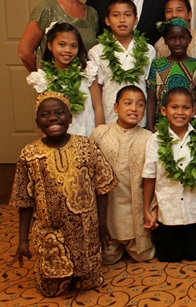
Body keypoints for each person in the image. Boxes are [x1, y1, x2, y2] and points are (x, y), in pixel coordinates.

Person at [9, 92, 117, 297]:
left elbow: (103, 187)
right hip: (50, 235)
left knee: (89, 283)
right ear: (37, 122)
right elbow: (24, 201)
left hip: (85, 233)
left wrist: (102, 224)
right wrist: (23, 241)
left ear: (70, 118)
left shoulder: (86, 146)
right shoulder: (29, 154)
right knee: (52, 290)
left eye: (59, 113)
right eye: (45, 114)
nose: (52, 118)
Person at [142, 87, 196, 262]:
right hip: (168, 213)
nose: (180, 112)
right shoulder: (155, 141)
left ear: (193, 111)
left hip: (194, 212)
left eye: (185, 108)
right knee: (170, 256)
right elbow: (149, 177)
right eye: (174, 107)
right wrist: (147, 209)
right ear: (164, 110)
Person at [90, 85, 156, 264]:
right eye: (128, 103)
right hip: (108, 213)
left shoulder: (148, 138)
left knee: (145, 256)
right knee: (106, 259)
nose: (134, 108)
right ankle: (113, 241)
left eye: (140, 105)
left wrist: (153, 210)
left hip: (135, 214)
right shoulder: (100, 133)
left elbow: (155, 178)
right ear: (115, 107)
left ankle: (133, 241)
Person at [18, 0, 98, 72]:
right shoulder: (46, 9)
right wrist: (44, 78)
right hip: (54, 83)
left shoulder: (92, 13)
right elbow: (24, 53)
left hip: (86, 82)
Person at [26, 22, 103, 137]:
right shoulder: (44, 79)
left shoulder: (87, 72)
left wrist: (99, 137)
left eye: (73, 46)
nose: (68, 50)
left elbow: (98, 108)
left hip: (88, 136)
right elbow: (44, 116)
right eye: (62, 44)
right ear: (50, 46)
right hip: (59, 139)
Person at [88, 0, 155, 127]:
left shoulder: (148, 50)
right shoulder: (97, 52)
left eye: (127, 15)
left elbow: (150, 89)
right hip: (110, 120)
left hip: (140, 122)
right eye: (116, 15)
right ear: (107, 21)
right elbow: (97, 94)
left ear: (135, 20)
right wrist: (100, 127)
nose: (122, 20)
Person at [154, 0, 196, 104]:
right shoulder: (159, 44)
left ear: (189, 14)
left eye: (179, 10)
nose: (174, 15)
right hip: (169, 105)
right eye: (169, 11)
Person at [147, 18, 196, 131]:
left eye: (182, 38)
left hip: (187, 126)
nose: (177, 43)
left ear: (190, 39)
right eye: (172, 38)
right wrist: (150, 126)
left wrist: (182, 121)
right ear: (165, 41)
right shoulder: (156, 66)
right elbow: (151, 99)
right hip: (160, 127)